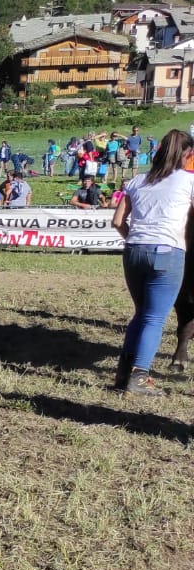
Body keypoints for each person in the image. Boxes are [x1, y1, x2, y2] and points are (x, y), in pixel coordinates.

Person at [110, 130, 194, 396]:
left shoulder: (136, 181)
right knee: (155, 318)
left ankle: (122, 374)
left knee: (141, 314)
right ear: (187, 155)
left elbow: (116, 221)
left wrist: (134, 240)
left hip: (133, 251)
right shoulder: (188, 182)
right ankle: (140, 376)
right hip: (167, 252)